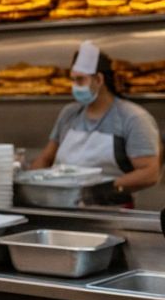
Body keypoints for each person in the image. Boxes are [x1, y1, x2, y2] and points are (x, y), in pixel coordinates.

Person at [30, 41, 161, 205]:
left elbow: (150, 173)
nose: (74, 86)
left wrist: (101, 191)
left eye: (80, 80)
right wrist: (33, 183)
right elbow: (45, 158)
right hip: (63, 207)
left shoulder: (132, 117)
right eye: (72, 80)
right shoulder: (69, 113)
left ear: (99, 79)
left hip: (111, 212)